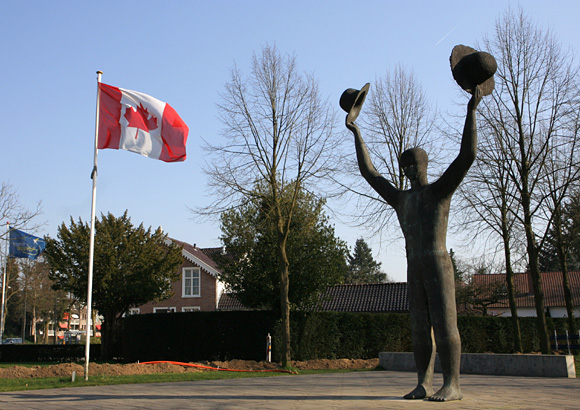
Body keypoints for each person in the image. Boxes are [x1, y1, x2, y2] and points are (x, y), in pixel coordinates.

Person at [341, 67, 486, 401]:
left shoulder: (439, 192)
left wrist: (471, 112)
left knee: (446, 325)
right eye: (404, 167)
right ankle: (424, 381)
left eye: (413, 166)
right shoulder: (402, 200)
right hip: (414, 265)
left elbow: (467, 156)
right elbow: (370, 173)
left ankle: (453, 383)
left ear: (424, 166)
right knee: (420, 327)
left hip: (437, 263)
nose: (407, 172)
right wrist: (355, 132)